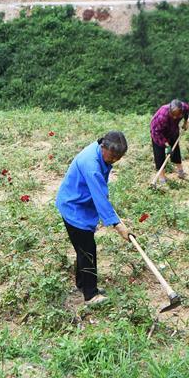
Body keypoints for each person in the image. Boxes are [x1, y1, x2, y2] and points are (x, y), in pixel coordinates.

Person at [55, 131, 131, 306]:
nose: (115, 160)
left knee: (83, 249)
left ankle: (82, 284)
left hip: (80, 202)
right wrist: (118, 226)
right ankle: (91, 295)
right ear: (103, 147)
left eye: (118, 157)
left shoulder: (98, 152)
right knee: (87, 250)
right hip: (73, 207)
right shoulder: (91, 164)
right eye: (113, 156)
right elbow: (99, 196)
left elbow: (100, 193)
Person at [150, 99, 189, 184]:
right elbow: (157, 133)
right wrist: (167, 145)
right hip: (158, 133)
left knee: (175, 149)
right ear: (169, 111)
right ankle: (162, 178)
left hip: (173, 130)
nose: (175, 117)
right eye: (173, 115)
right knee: (159, 154)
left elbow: (186, 112)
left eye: (178, 115)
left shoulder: (184, 107)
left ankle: (180, 172)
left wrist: (186, 122)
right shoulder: (162, 116)